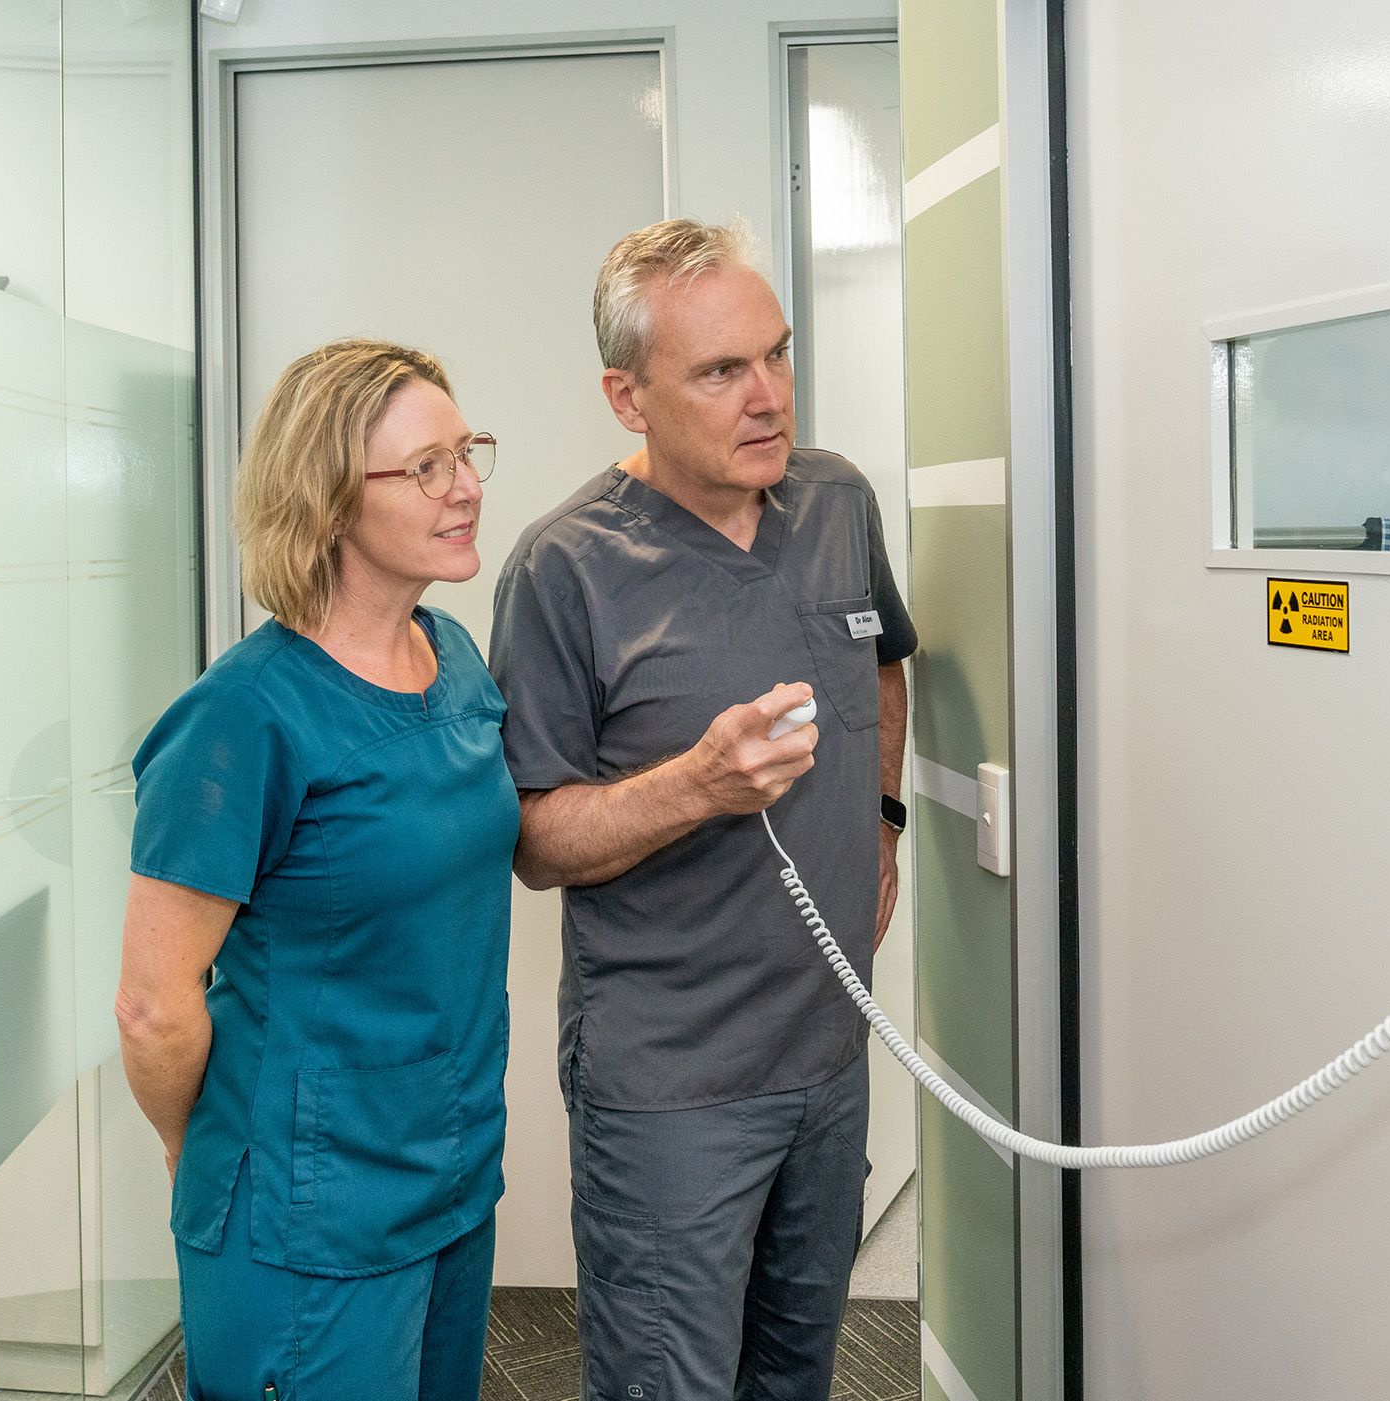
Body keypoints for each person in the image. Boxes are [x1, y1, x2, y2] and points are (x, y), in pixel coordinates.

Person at [489, 218, 917, 1401]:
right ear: (628, 396)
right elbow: (534, 839)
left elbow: (886, 662)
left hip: (830, 1057)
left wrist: (882, 818)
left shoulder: (835, 502)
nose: (769, 397)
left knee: (797, 1375)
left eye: (777, 356)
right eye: (723, 371)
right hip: (672, 1087)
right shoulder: (564, 568)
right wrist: (698, 786)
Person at [114, 339, 515, 1400]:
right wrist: (201, 1154)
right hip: (307, 1218)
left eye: (466, 452)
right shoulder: (243, 716)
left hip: (452, 1177)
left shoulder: (455, 659)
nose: (466, 484)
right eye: (425, 466)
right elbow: (154, 1009)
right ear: (331, 500)